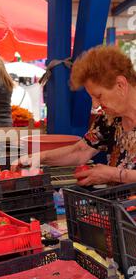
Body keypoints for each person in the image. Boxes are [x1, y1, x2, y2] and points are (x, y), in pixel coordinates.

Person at [13, 45, 136, 185]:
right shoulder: (108, 119)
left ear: (120, 84)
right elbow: (81, 151)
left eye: (99, 96)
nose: (95, 105)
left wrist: (115, 175)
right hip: (117, 205)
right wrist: (39, 157)